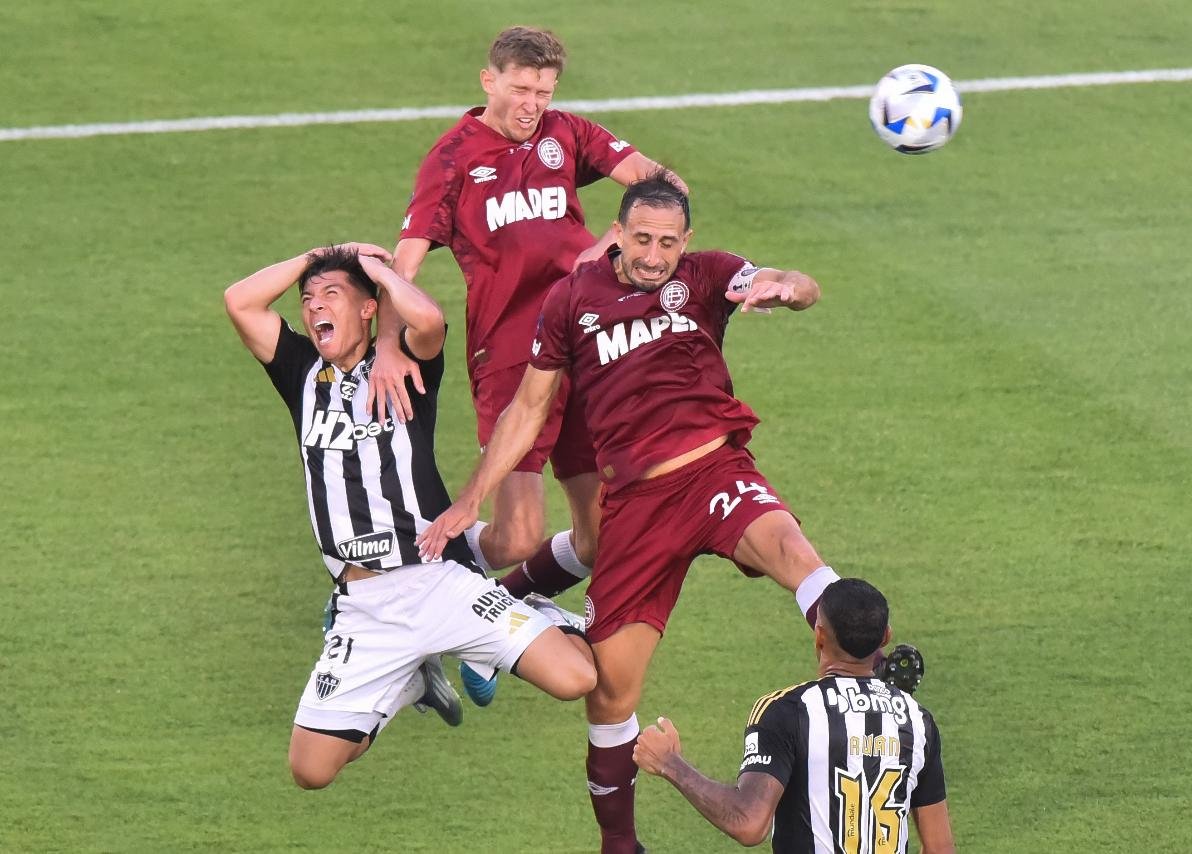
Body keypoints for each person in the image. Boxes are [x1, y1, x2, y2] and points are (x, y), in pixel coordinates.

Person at [418, 174, 844, 853]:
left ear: (687, 242)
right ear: (616, 234)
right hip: (638, 508)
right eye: (641, 239)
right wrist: (471, 500)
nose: (653, 256)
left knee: (800, 558)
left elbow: (789, 280)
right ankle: (620, 844)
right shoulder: (572, 301)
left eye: (668, 243)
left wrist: (790, 288)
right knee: (609, 693)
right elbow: (528, 409)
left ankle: (868, 680)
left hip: (716, 474)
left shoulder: (708, 276)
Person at [368, 30, 687, 699]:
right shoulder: (453, 159)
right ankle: (401, 587)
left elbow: (662, 185)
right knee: (517, 534)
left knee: (598, 541)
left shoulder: (566, 134)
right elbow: (405, 265)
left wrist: (605, 248)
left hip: (585, 351)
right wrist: (389, 346)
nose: (532, 103)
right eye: (520, 88)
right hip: (512, 359)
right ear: (489, 80)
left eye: (544, 90)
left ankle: (500, 614)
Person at [223, 243, 596, 790]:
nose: (314, 307)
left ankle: (526, 602)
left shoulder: (404, 366)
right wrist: (318, 258)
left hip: (434, 577)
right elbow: (240, 301)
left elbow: (428, 319)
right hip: (364, 606)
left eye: (332, 295)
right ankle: (412, 682)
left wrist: (376, 270)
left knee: (576, 677)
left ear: (368, 308)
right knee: (310, 770)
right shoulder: (301, 373)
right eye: (308, 300)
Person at [633, 578, 955, 853]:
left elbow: (749, 823)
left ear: (819, 635)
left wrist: (669, 763)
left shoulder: (788, 711)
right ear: (886, 636)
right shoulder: (918, 721)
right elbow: (940, 847)